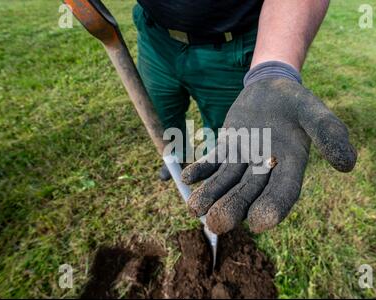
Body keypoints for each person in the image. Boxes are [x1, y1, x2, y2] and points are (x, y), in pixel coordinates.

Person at [133, 0, 357, 234]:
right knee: (164, 117)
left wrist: (272, 71)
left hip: (230, 46)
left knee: (228, 139)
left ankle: (216, 178)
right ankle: (176, 158)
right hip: (154, 38)